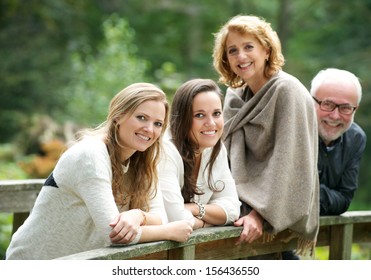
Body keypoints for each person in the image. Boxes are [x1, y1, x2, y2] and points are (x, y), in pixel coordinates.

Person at [6, 83, 193, 260]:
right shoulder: (91, 155)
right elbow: (112, 233)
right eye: (141, 117)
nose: (149, 129)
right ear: (118, 116)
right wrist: (169, 231)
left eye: (158, 123)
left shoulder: (144, 163)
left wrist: (138, 215)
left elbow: (160, 216)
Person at [212, 15, 319, 258]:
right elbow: (222, 154)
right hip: (236, 203)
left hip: (269, 211)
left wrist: (260, 213)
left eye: (249, 47)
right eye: (232, 50)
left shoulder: (287, 91)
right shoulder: (235, 96)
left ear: (266, 50)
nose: (241, 56)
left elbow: (288, 160)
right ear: (226, 59)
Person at [158, 78, 241, 229]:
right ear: (182, 119)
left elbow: (233, 209)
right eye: (200, 115)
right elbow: (176, 218)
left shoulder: (216, 148)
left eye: (216, 113)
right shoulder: (165, 151)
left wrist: (196, 209)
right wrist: (206, 222)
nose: (211, 123)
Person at [310, 68, 367, 216]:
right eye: (327, 104)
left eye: (345, 108)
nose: (335, 116)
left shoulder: (356, 139)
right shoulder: (292, 129)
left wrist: (309, 192)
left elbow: (344, 200)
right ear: (310, 101)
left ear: (355, 109)